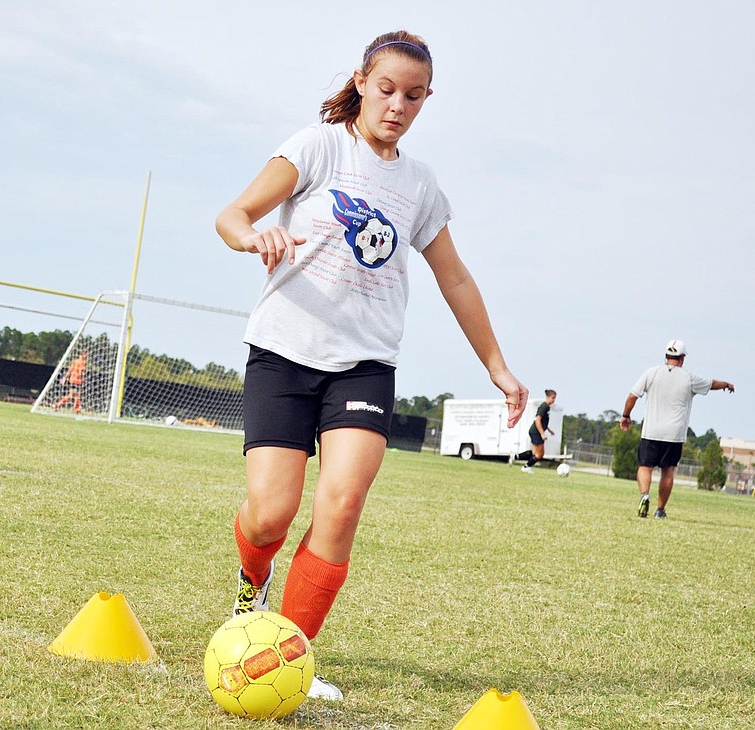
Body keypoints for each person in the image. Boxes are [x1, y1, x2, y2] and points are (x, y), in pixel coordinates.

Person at [215, 30, 528, 701]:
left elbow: (457, 279)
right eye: (386, 89)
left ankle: (286, 655)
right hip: (283, 354)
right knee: (271, 514)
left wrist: (498, 367)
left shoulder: (418, 185)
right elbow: (233, 214)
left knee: (343, 502)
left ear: (427, 100)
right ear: (360, 81)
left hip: (364, 366)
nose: (397, 105)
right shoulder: (318, 146)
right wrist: (254, 236)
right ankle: (250, 584)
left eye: (413, 96)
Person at [620, 339, 734, 518]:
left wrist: (626, 416)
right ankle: (660, 510)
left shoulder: (652, 373)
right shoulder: (689, 378)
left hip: (651, 431)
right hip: (674, 435)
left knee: (645, 466)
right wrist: (727, 385)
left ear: (666, 356)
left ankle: (644, 495)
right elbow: (712, 384)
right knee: (668, 470)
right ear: (682, 359)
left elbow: (632, 396)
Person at [517, 389, 557, 472]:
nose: (554, 400)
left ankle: (515, 457)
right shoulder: (544, 406)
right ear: (548, 397)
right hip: (536, 432)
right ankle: (526, 467)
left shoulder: (547, 407)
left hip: (536, 432)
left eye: (555, 398)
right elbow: (537, 420)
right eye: (553, 398)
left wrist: (549, 430)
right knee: (539, 454)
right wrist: (542, 433)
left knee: (534, 453)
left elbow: (543, 421)